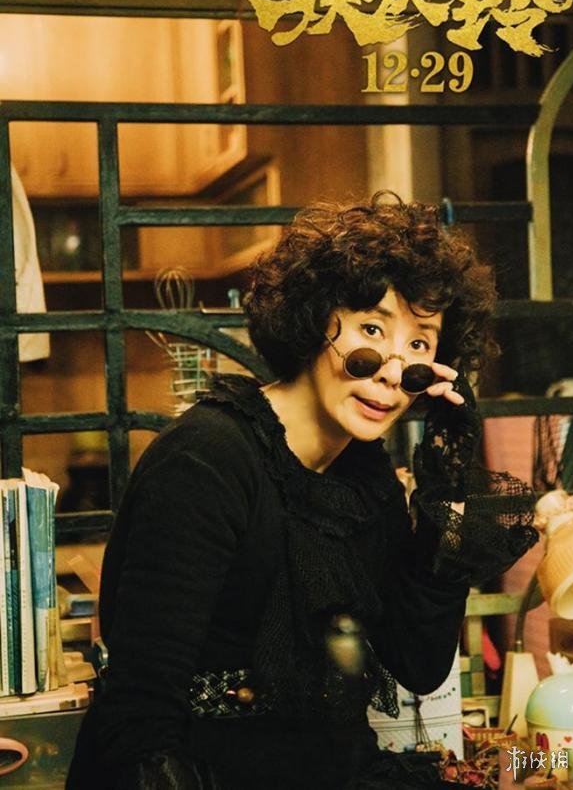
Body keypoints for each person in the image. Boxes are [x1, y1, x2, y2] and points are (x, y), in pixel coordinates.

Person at [66, 193, 538, 790]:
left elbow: (418, 665)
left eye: (419, 344)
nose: (394, 371)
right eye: (372, 329)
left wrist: (448, 487)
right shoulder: (207, 458)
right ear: (314, 321)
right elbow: (141, 719)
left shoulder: (365, 478)